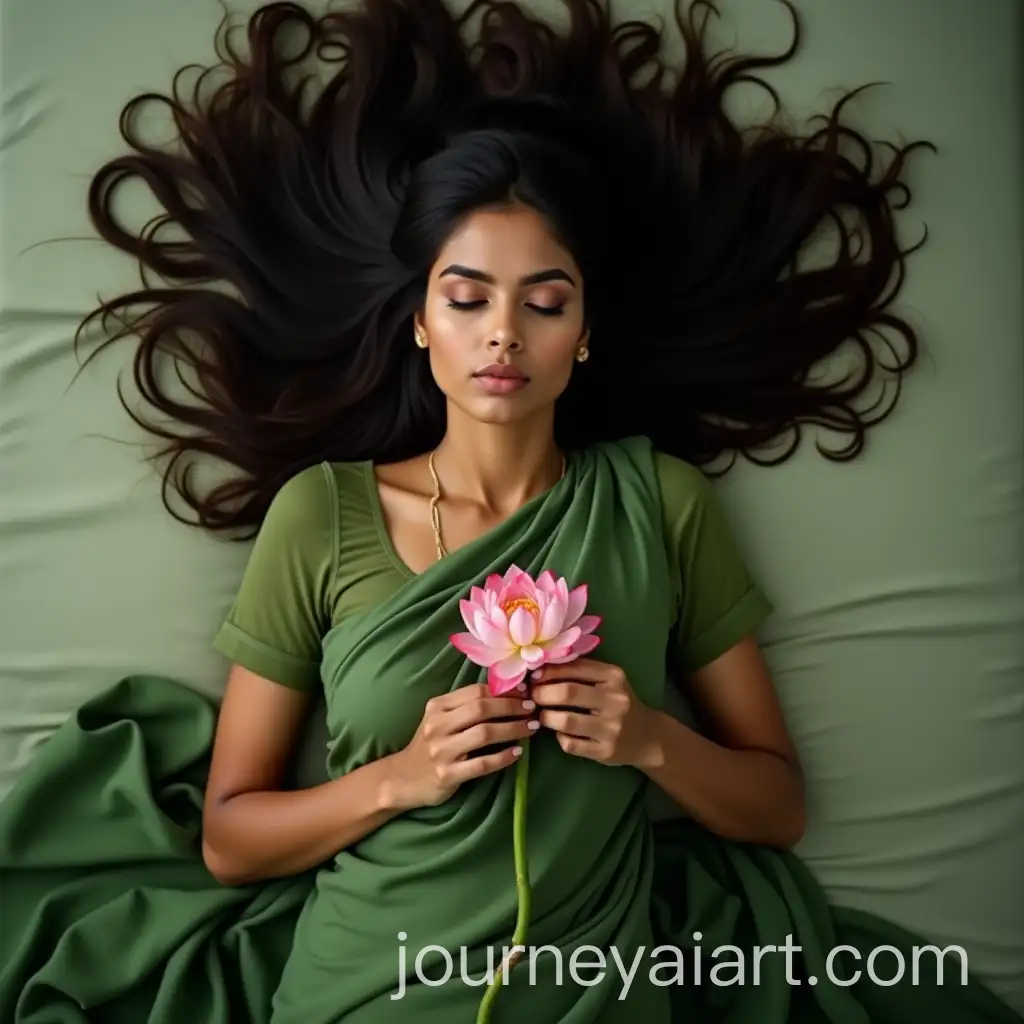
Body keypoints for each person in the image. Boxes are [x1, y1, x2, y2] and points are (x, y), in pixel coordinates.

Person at [3, 0, 1011, 1023]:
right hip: (370, 989)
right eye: (467, 296)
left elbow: (777, 806)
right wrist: (400, 777)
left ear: (584, 330)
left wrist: (650, 740)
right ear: (419, 321)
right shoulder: (322, 513)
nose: (503, 335)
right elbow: (231, 841)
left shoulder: (657, 500)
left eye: (545, 301)